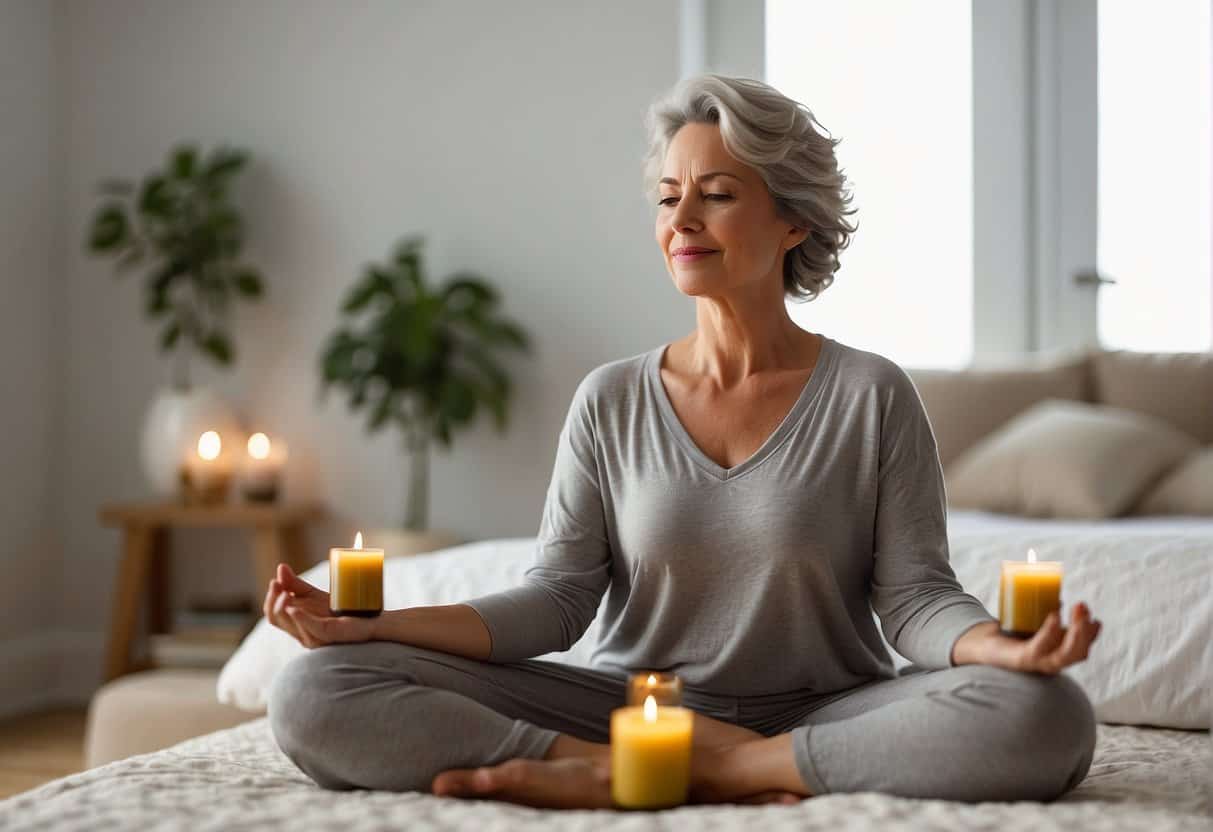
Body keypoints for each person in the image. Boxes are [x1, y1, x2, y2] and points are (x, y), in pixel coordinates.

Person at [264, 74, 1102, 809]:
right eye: (669, 197)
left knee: (1044, 711)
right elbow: (556, 602)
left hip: (823, 710)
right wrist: (372, 626)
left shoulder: (870, 394)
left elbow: (914, 597)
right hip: (631, 704)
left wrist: (992, 642)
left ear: (793, 223)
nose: (682, 219)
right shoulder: (611, 399)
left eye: (718, 194)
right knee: (312, 687)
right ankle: (611, 759)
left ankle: (664, 776)